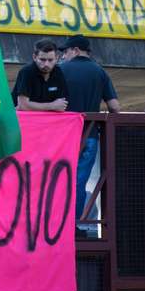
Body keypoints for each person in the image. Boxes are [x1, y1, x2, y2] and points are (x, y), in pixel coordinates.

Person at [58, 34, 121, 232]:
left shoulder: (60, 70)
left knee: (57, 179)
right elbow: (114, 107)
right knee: (79, 181)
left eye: (65, 52)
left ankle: (54, 225)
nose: (63, 56)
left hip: (61, 136)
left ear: (75, 50)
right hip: (90, 136)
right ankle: (73, 226)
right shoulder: (99, 72)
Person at [11, 39, 69, 111]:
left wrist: (32, 106)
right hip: (24, 120)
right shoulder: (26, 72)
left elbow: (62, 105)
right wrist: (52, 106)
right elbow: (23, 105)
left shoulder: (58, 72)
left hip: (48, 119)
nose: (46, 64)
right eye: (42, 59)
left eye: (50, 60)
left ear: (56, 58)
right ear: (34, 57)